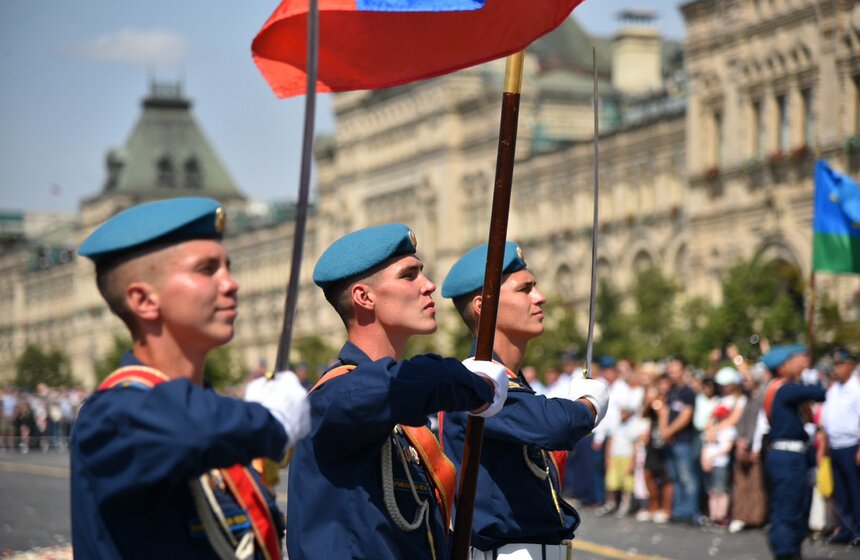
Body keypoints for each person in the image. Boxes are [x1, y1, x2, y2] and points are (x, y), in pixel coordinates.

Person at [71, 197, 311, 559]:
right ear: (144, 300)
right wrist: (270, 421)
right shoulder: (111, 416)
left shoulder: (210, 416)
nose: (231, 284)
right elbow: (180, 427)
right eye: (206, 269)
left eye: (228, 267)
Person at [286, 223, 509, 560]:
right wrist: (479, 385)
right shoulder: (336, 396)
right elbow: (421, 380)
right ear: (364, 297)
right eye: (409, 275)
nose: (429, 285)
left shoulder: (394, 411)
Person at [440, 241, 609, 560]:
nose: (540, 297)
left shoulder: (510, 381)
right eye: (525, 289)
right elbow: (555, 426)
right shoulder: (477, 382)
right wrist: (590, 404)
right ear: (483, 306)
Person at [761, 344, 826, 560]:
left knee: (799, 505)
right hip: (787, 456)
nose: (803, 362)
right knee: (787, 507)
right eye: (797, 359)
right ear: (782, 366)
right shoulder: (785, 389)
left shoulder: (784, 387)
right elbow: (819, 393)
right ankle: (785, 551)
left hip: (792, 455)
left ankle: (791, 547)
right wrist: (811, 375)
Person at [820, 347, 860, 545]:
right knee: (840, 491)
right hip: (834, 444)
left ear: (851, 365)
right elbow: (826, 420)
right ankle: (844, 530)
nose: (837, 368)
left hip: (852, 445)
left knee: (855, 489)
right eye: (835, 365)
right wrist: (824, 446)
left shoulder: (857, 389)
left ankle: (858, 530)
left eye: (841, 364)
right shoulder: (833, 389)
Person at [660, 358, 699, 524]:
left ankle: (690, 511)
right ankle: (678, 510)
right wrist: (664, 431)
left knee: (686, 477)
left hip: (683, 440)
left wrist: (669, 431)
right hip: (670, 441)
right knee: (674, 477)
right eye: (670, 371)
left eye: (675, 371)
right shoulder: (671, 391)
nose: (672, 374)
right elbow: (664, 410)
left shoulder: (688, 392)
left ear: (682, 371)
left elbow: (686, 416)